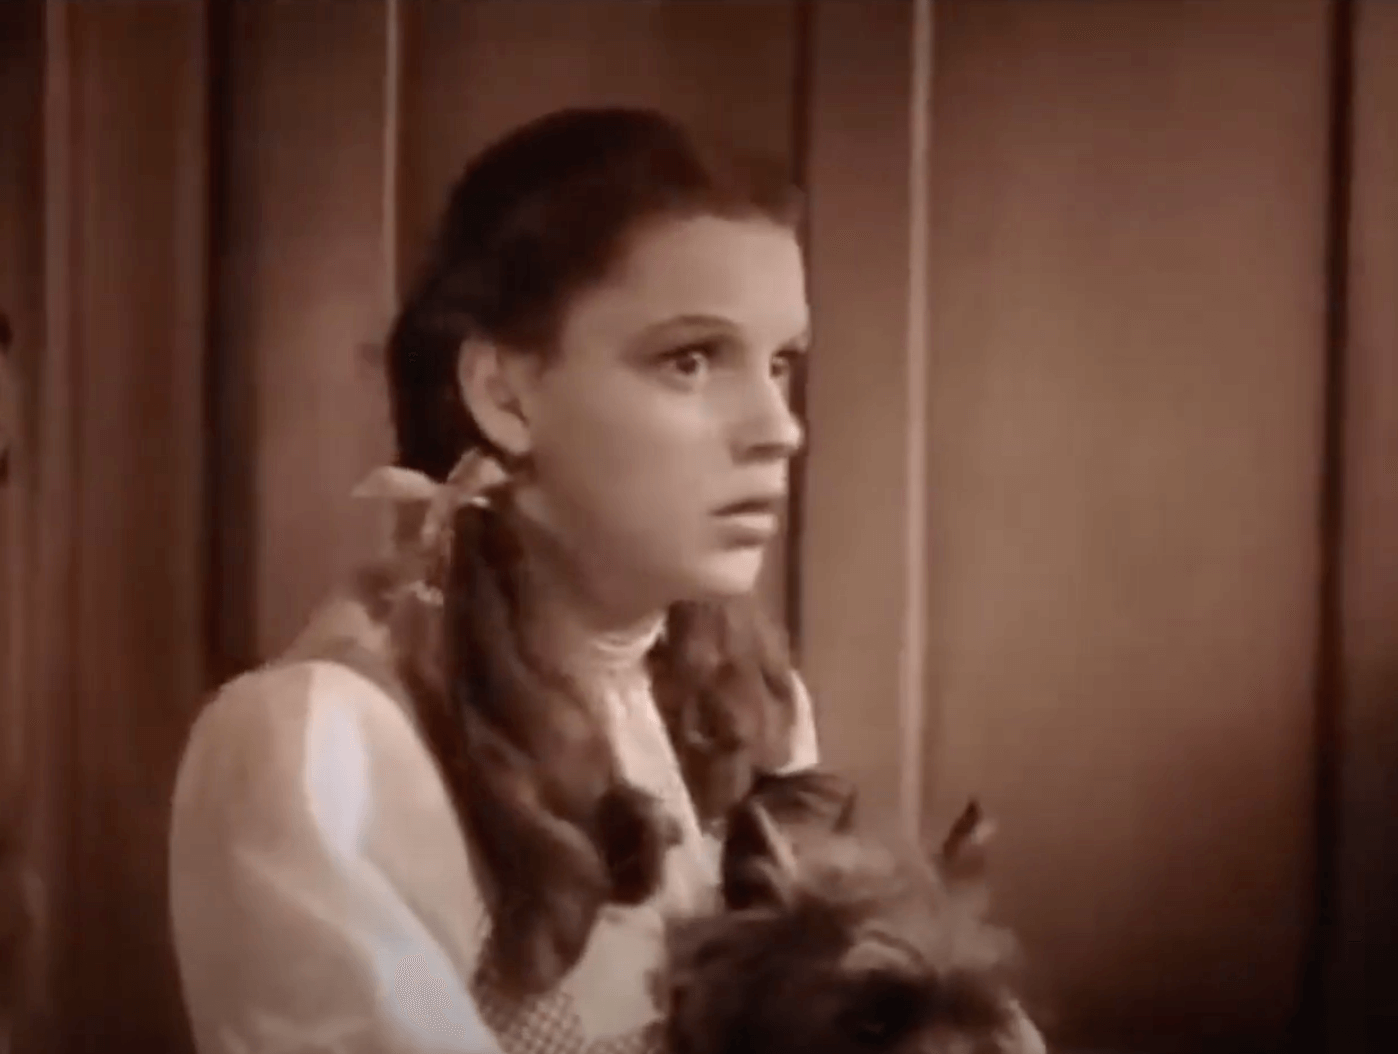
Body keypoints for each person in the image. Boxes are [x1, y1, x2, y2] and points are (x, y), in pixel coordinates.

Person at [168, 106, 822, 1054]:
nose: (780, 428)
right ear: (503, 394)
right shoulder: (325, 751)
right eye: (690, 360)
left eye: (781, 363)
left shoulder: (752, 706)